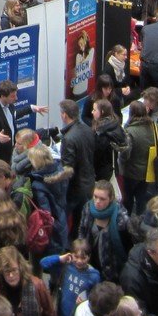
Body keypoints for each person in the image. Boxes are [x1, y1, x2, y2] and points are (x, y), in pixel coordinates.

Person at [0, 80, 48, 191]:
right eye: (13, 96)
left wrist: (31, 108)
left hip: (7, 152)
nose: (16, 98)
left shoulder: (8, 104)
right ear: (2, 96)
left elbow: (13, 115)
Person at [0, 245, 57, 316]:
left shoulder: (37, 285)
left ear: (20, 267)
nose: (11, 275)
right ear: (1, 271)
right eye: (7, 271)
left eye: (14, 270)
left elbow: (50, 315)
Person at [78, 180, 131, 283]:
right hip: (89, 263)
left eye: (102, 199)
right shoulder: (88, 207)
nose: (97, 201)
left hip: (111, 270)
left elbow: (127, 245)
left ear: (111, 198)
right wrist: (81, 250)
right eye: (95, 196)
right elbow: (82, 229)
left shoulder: (121, 218)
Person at [41, 239, 101, 316]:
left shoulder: (93, 275)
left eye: (83, 258)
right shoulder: (66, 265)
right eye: (76, 257)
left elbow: (95, 299)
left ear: (89, 257)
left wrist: (86, 302)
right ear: (71, 254)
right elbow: (43, 263)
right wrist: (60, 258)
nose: (79, 261)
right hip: (60, 315)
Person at [59, 99, 95, 236]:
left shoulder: (68, 138)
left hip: (75, 187)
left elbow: (68, 167)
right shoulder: (87, 129)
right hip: (88, 181)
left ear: (64, 115)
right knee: (81, 220)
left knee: (64, 219)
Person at [90, 99, 127, 183]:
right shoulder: (114, 125)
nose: (92, 112)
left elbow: (95, 155)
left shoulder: (102, 134)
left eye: (94, 110)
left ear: (102, 112)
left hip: (102, 174)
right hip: (110, 169)